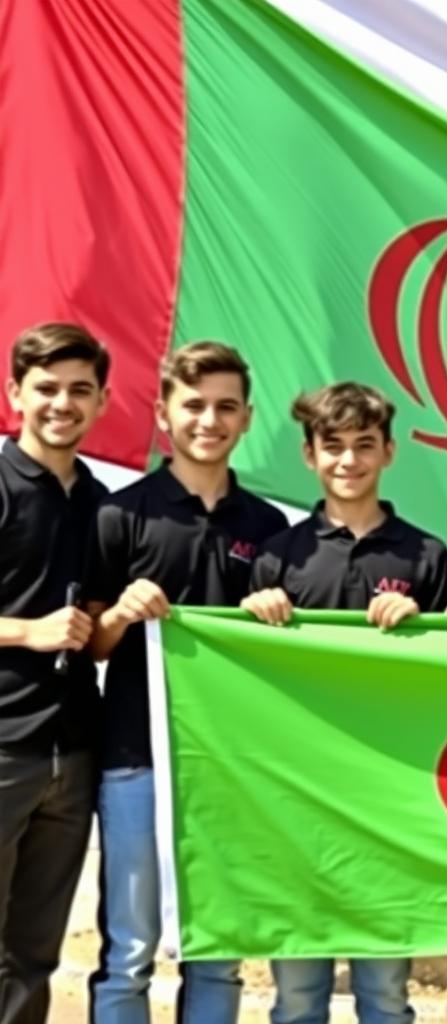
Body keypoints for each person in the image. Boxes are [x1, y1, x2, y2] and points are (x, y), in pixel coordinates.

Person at [84, 342, 288, 1024]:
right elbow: (92, 644)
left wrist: (271, 618)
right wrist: (119, 612)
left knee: (217, 950)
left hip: (231, 764)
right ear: (164, 413)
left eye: (226, 406)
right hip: (136, 758)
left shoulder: (269, 529)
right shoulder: (121, 514)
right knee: (130, 952)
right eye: (194, 405)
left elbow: (281, 658)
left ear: (247, 417)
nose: (210, 419)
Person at [243, 381, 447, 1024]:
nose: (348, 461)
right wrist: (252, 616)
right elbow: (247, 679)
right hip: (297, 795)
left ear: (388, 452)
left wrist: (426, 623)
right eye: (332, 447)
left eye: (364, 446)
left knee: (385, 993)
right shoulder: (278, 555)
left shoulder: (428, 554)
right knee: (300, 995)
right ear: (309, 455)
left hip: (387, 794)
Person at [0, 323, 110, 1024]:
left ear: (102, 402)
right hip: (3, 746)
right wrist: (27, 632)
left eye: (79, 390)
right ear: (15, 394)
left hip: (74, 755)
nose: (61, 403)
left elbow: (96, 637)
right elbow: (43, 628)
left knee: (35, 955)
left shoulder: (104, 503)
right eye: (45, 388)